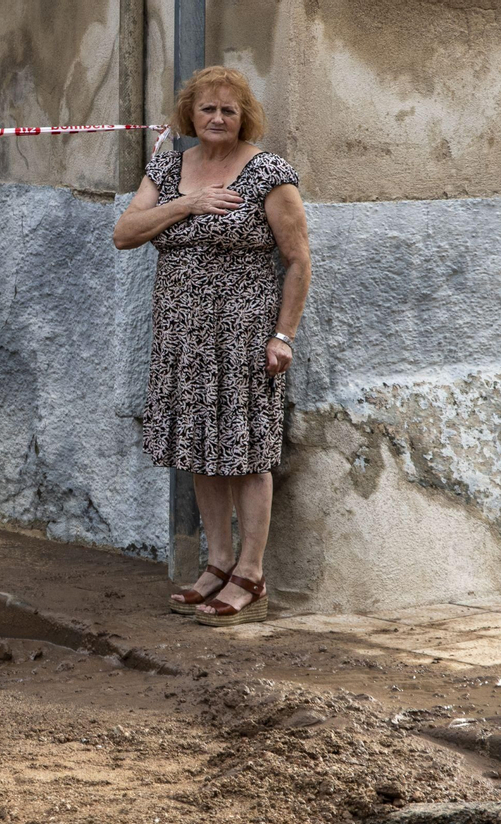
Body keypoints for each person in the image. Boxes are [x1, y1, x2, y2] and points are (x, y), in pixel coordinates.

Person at [112, 66, 311, 627]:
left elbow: (298, 260)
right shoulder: (170, 165)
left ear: (244, 115)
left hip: (243, 334)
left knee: (246, 452)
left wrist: (283, 335)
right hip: (181, 332)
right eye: (207, 109)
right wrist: (186, 204)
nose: (218, 118)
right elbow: (125, 233)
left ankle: (251, 572)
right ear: (189, 115)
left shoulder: (270, 174)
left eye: (229, 109)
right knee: (200, 447)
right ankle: (217, 561)